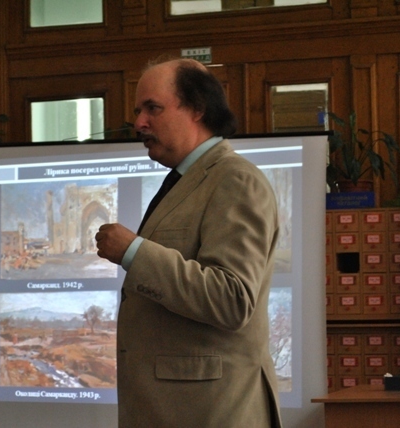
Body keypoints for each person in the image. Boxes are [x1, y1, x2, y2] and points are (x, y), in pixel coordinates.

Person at [95, 58, 283, 428]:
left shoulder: (235, 180)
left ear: (197, 109)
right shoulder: (185, 180)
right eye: (138, 111)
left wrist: (134, 252)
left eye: (153, 108)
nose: (140, 123)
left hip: (213, 413)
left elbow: (232, 299)